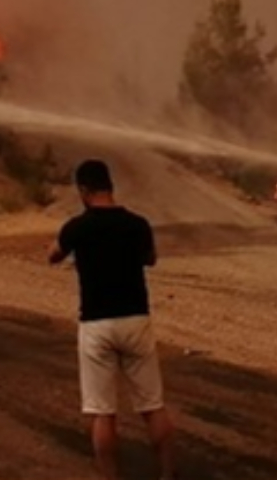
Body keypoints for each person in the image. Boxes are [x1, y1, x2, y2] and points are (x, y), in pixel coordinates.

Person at [48, 158, 176, 480]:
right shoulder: (138, 224)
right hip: (135, 319)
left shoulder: (77, 227)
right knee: (152, 406)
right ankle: (167, 474)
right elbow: (151, 259)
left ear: (83, 190)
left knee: (102, 413)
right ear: (110, 187)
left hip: (96, 324)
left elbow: (52, 255)